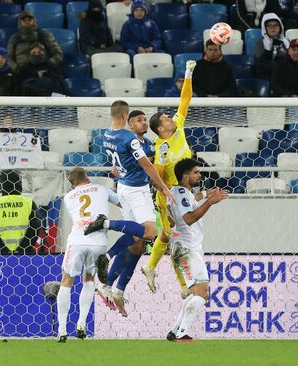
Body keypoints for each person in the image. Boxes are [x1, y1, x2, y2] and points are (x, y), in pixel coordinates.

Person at [94, 102, 174, 316]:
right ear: (126, 118)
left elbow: (114, 168)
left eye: (145, 119)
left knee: (137, 243)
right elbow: (147, 167)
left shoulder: (108, 135)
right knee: (149, 232)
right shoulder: (130, 140)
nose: (143, 122)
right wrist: (163, 188)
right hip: (137, 191)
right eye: (138, 119)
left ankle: (112, 287)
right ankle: (107, 242)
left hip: (125, 188)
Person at [58, 167, 147, 341]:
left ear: (72, 183)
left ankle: (62, 329)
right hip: (98, 241)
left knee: (67, 281)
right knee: (88, 279)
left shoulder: (68, 197)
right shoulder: (101, 188)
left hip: (77, 239)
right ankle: (81, 324)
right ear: (86, 176)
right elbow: (123, 202)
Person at [143, 60, 199, 297]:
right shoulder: (161, 146)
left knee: (167, 236)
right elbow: (156, 177)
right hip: (168, 197)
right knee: (175, 239)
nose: (171, 119)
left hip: (183, 192)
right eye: (166, 119)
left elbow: (185, 100)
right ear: (160, 130)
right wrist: (161, 160)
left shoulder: (178, 126)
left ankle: (150, 266)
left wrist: (188, 74)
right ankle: (184, 287)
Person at [166, 158, 228, 342]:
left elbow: (190, 200)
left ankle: (175, 331)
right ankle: (182, 334)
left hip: (185, 247)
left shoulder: (179, 192)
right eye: (196, 172)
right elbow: (189, 218)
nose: (200, 175)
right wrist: (211, 202)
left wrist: (205, 195)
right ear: (185, 176)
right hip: (187, 249)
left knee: (196, 293)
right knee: (202, 294)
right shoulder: (183, 194)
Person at [0, 171, 40, 255]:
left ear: (3, 185)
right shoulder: (29, 203)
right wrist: (22, 248)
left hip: (0, 254)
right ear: (19, 184)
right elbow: (35, 227)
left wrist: (2, 249)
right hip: (25, 253)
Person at [254, 13, 289, 81]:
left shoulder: (286, 42)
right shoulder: (260, 43)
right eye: (269, 25)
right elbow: (259, 63)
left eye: (275, 25)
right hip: (266, 75)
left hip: (284, 73)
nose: (273, 28)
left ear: (280, 27)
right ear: (265, 28)